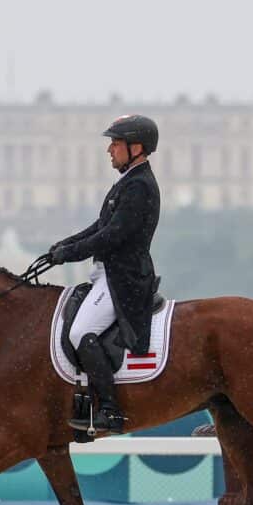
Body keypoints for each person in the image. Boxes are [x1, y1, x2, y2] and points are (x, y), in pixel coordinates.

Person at [47, 114, 161, 434]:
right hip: (108, 273)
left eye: (115, 143)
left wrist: (70, 253)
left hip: (123, 277)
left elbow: (112, 237)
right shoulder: (127, 182)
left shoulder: (140, 186)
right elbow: (100, 227)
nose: (109, 150)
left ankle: (109, 409)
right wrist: (65, 245)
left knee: (80, 332)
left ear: (135, 147)